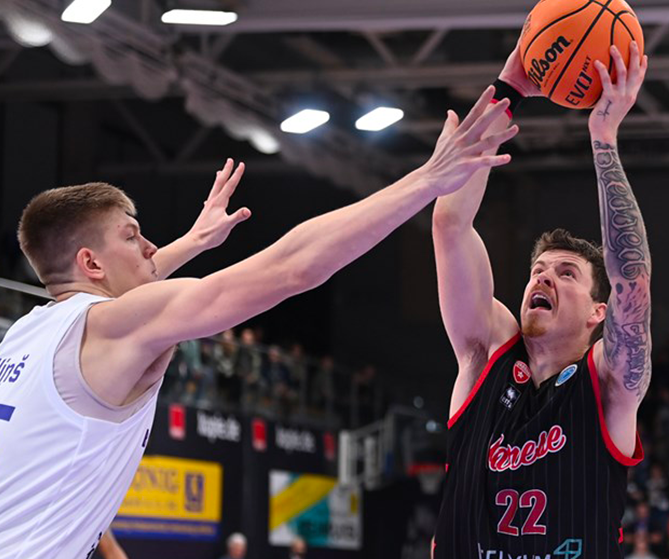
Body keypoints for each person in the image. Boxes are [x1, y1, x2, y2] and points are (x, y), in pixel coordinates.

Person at [0, 86, 517, 558]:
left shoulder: (25, 334)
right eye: (133, 237)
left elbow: (127, 290)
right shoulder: (111, 326)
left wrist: (194, 243)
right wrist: (427, 179)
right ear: (91, 263)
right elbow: (293, 268)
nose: (152, 247)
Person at [432, 41, 651, 559]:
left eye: (566, 273)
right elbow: (450, 224)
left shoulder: (609, 383)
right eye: (538, 270)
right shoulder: (485, 353)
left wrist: (604, 140)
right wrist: (507, 90)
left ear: (599, 312)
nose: (544, 278)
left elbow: (633, 281)